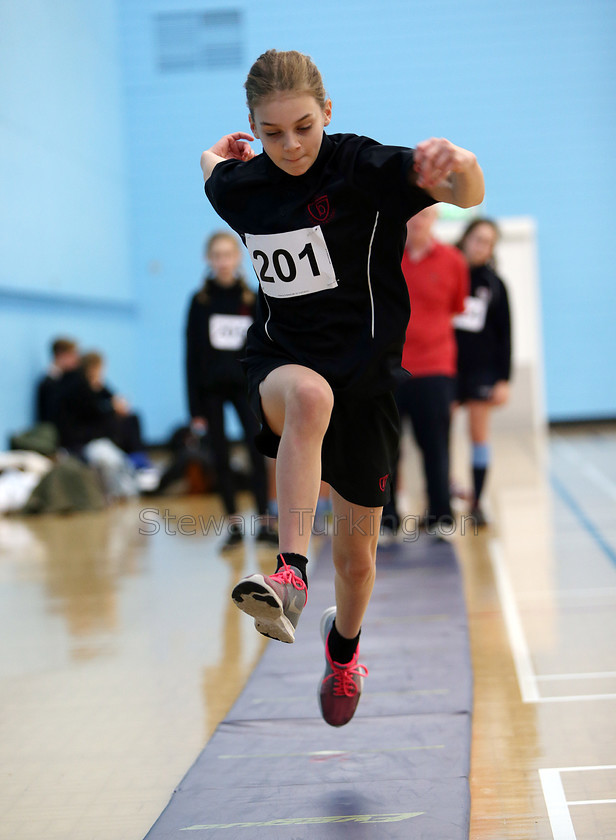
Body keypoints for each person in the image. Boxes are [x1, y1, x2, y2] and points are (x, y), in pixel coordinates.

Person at [200, 49, 484, 726]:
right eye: (271, 134)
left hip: (366, 385)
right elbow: (214, 173)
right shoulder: (243, 186)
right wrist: (215, 157)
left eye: (303, 126)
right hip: (281, 364)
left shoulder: (361, 166)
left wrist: (461, 163)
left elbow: (467, 195)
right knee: (308, 397)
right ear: (253, 128)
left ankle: (344, 650)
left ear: (327, 112)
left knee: (358, 564)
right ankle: (290, 573)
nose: (290, 145)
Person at [381, 206, 469, 539]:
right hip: (389, 369)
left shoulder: (453, 261)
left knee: (436, 446)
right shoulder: (384, 258)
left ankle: (441, 515)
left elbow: (456, 307)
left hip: (436, 369)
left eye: (425, 215)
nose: (418, 220)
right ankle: (387, 518)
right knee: (388, 450)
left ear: (435, 219)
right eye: (413, 214)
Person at [186, 230, 275, 550]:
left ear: (238, 258)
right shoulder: (199, 302)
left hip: (245, 388)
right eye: (217, 256)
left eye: (228, 255)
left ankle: (265, 523)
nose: (223, 262)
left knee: (256, 453)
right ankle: (234, 526)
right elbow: (191, 356)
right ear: (208, 260)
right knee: (220, 457)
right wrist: (194, 409)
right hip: (210, 391)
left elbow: (262, 346)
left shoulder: (251, 298)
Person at [453, 218, 512, 527]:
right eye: (477, 239)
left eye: (488, 242)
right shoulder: (448, 268)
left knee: (478, 432)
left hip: (481, 370)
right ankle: (443, 492)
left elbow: (506, 335)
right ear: (465, 238)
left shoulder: (494, 284)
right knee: (438, 431)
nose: (481, 246)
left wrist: (503, 379)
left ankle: (477, 501)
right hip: (447, 365)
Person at [57, 351, 146, 458]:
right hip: (84, 428)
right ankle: (132, 455)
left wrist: (119, 404)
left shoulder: (97, 383)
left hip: (97, 420)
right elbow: (90, 411)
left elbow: (112, 396)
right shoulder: (79, 384)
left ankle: (137, 455)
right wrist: (113, 408)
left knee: (132, 417)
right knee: (115, 422)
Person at [36, 337, 81, 426]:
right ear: (60, 355)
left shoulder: (70, 377)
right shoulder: (48, 383)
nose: (76, 360)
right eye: (72, 355)